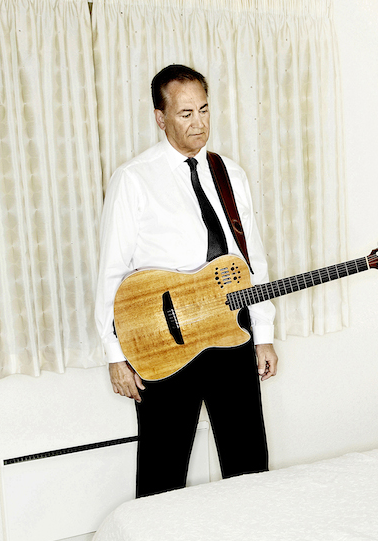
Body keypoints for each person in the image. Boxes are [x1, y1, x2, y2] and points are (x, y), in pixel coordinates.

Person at [95, 64, 279, 497]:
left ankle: (256, 535)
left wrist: (264, 333)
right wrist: (115, 355)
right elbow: (111, 272)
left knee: (249, 460)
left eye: (204, 110)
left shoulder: (230, 174)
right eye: (185, 113)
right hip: (163, 341)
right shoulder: (133, 179)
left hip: (231, 331)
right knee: (162, 469)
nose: (199, 123)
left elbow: (251, 260)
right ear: (161, 118)